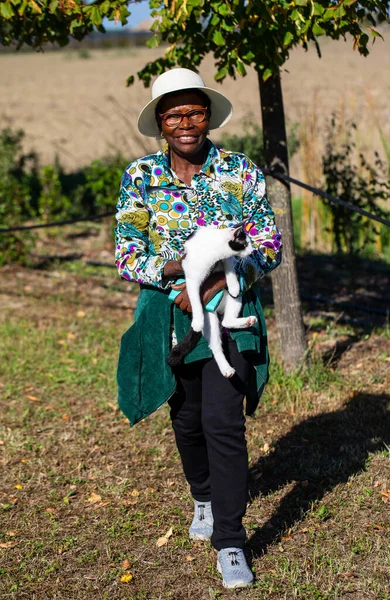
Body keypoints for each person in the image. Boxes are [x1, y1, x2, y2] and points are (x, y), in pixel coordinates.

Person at [115, 68, 282, 589]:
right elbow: (126, 255)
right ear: (160, 123)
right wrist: (182, 269)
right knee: (187, 421)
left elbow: (269, 243)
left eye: (194, 112)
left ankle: (230, 541)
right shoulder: (140, 178)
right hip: (168, 318)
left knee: (223, 422)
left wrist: (209, 286)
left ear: (208, 116)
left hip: (229, 311)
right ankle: (204, 497)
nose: (185, 122)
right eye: (173, 114)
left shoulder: (240, 172)